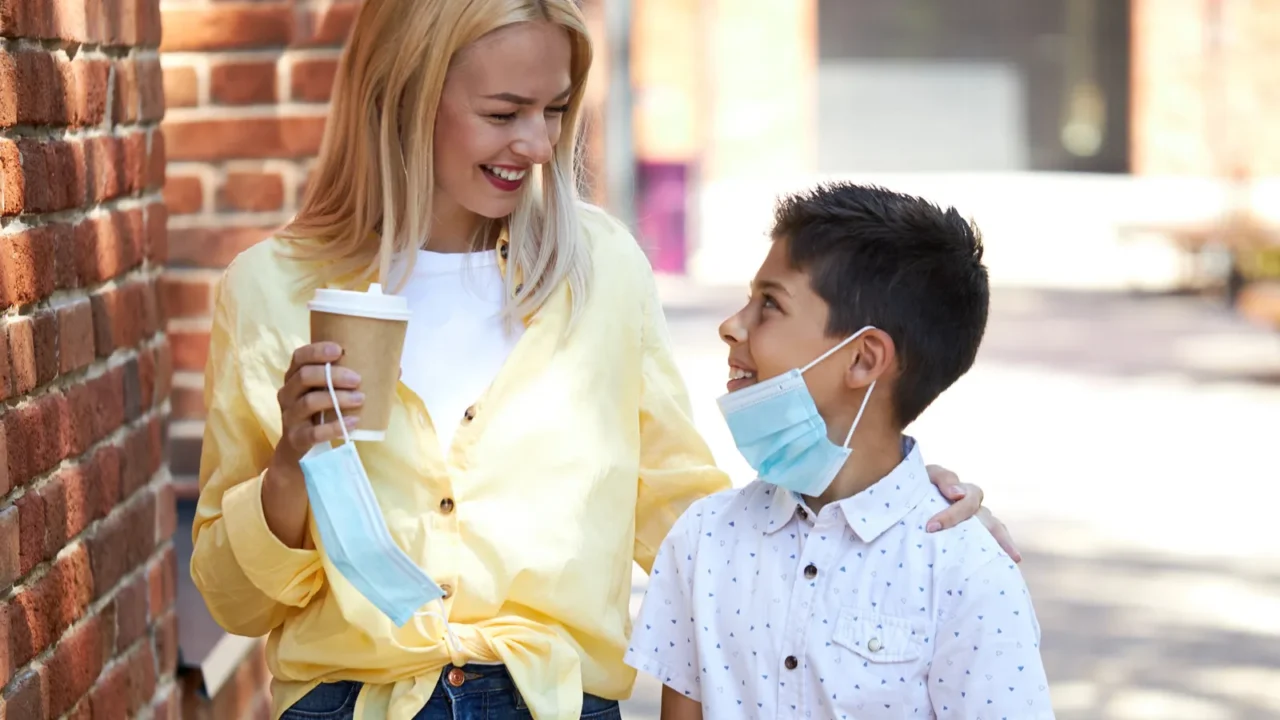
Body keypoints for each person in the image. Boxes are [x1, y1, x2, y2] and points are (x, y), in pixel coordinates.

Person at [189, 1, 1011, 719]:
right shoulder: (272, 291)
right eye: (505, 111)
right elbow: (235, 601)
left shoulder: (601, 269)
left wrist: (896, 516)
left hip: (557, 703)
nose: (539, 145)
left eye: (554, 111)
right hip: (348, 704)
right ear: (406, 94)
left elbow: (684, 518)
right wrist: (291, 472)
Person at [625, 183, 1053, 720]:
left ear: (863, 359)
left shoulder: (967, 570)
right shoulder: (703, 539)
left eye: (769, 305)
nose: (732, 325)